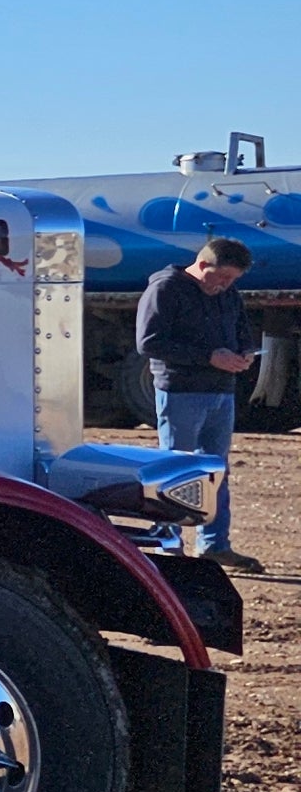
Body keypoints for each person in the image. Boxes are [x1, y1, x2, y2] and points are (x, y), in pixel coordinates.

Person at [137, 233, 263, 568]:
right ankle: (168, 545)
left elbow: (241, 330)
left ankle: (214, 544)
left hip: (221, 392)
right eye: (221, 277)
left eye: (232, 280)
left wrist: (245, 352)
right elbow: (149, 343)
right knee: (175, 471)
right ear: (202, 264)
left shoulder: (229, 293)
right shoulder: (165, 289)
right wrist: (209, 357)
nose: (224, 285)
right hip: (181, 392)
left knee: (216, 471)